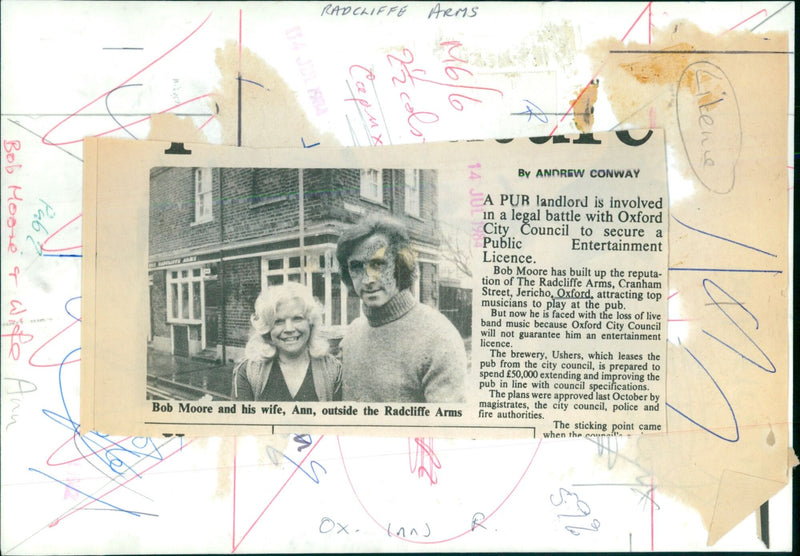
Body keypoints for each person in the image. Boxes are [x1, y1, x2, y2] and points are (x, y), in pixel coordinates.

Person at [336, 214, 466, 403]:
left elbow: (446, 429)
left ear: (400, 265)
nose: (367, 279)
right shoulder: (352, 335)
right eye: (356, 267)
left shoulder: (439, 337)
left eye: (378, 264)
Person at [233, 282, 341, 401]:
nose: (289, 329)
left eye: (297, 318)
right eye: (278, 321)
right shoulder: (248, 371)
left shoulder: (334, 370)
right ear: (267, 328)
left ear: (310, 323)